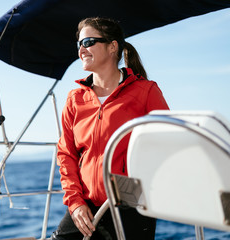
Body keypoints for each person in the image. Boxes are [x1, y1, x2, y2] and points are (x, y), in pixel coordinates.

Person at [52, 17, 169, 240]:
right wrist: (75, 203)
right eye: (79, 44)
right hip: (86, 205)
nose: (82, 49)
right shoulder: (75, 99)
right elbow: (66, 154)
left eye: (88, 42)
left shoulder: (146, 91)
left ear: (112, 46)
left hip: (132, 204)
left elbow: (165, 143)